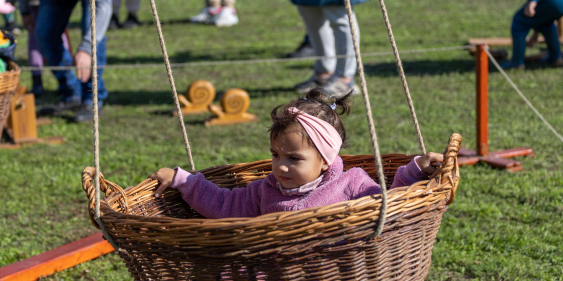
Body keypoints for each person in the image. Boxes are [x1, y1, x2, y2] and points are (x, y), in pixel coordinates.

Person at [150, 89, 444, 217]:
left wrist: (414, 169)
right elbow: (225, 205)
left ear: (325, 159)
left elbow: (389, 205)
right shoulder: (265, 190)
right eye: (276, 155)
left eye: (294, 158)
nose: (280, 167)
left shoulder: (352, 184)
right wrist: (184, 180)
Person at [12, 0, 118, 122]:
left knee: (94, 33)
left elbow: (102, 5)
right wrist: (25, 10)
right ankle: (71, 91)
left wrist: (86, 48)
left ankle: (92, 99)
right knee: (44, 32)